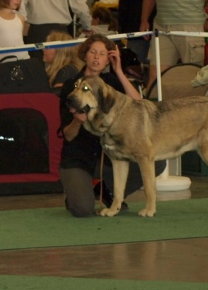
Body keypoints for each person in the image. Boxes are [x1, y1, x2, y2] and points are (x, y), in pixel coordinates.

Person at [58, 34, 165, 217]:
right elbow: (67, 135)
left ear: (108, 59)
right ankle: (78, 194)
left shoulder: (111, 82)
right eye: (93, 52)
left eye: (102, 53)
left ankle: (105, 191)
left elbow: (140, 104)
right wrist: (77, 121)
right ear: (85, 55)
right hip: (78, 158)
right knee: (82, 209)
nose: (97, 57)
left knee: (158, 160)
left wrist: (120, 72)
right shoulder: (71, 86)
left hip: (107, 157)